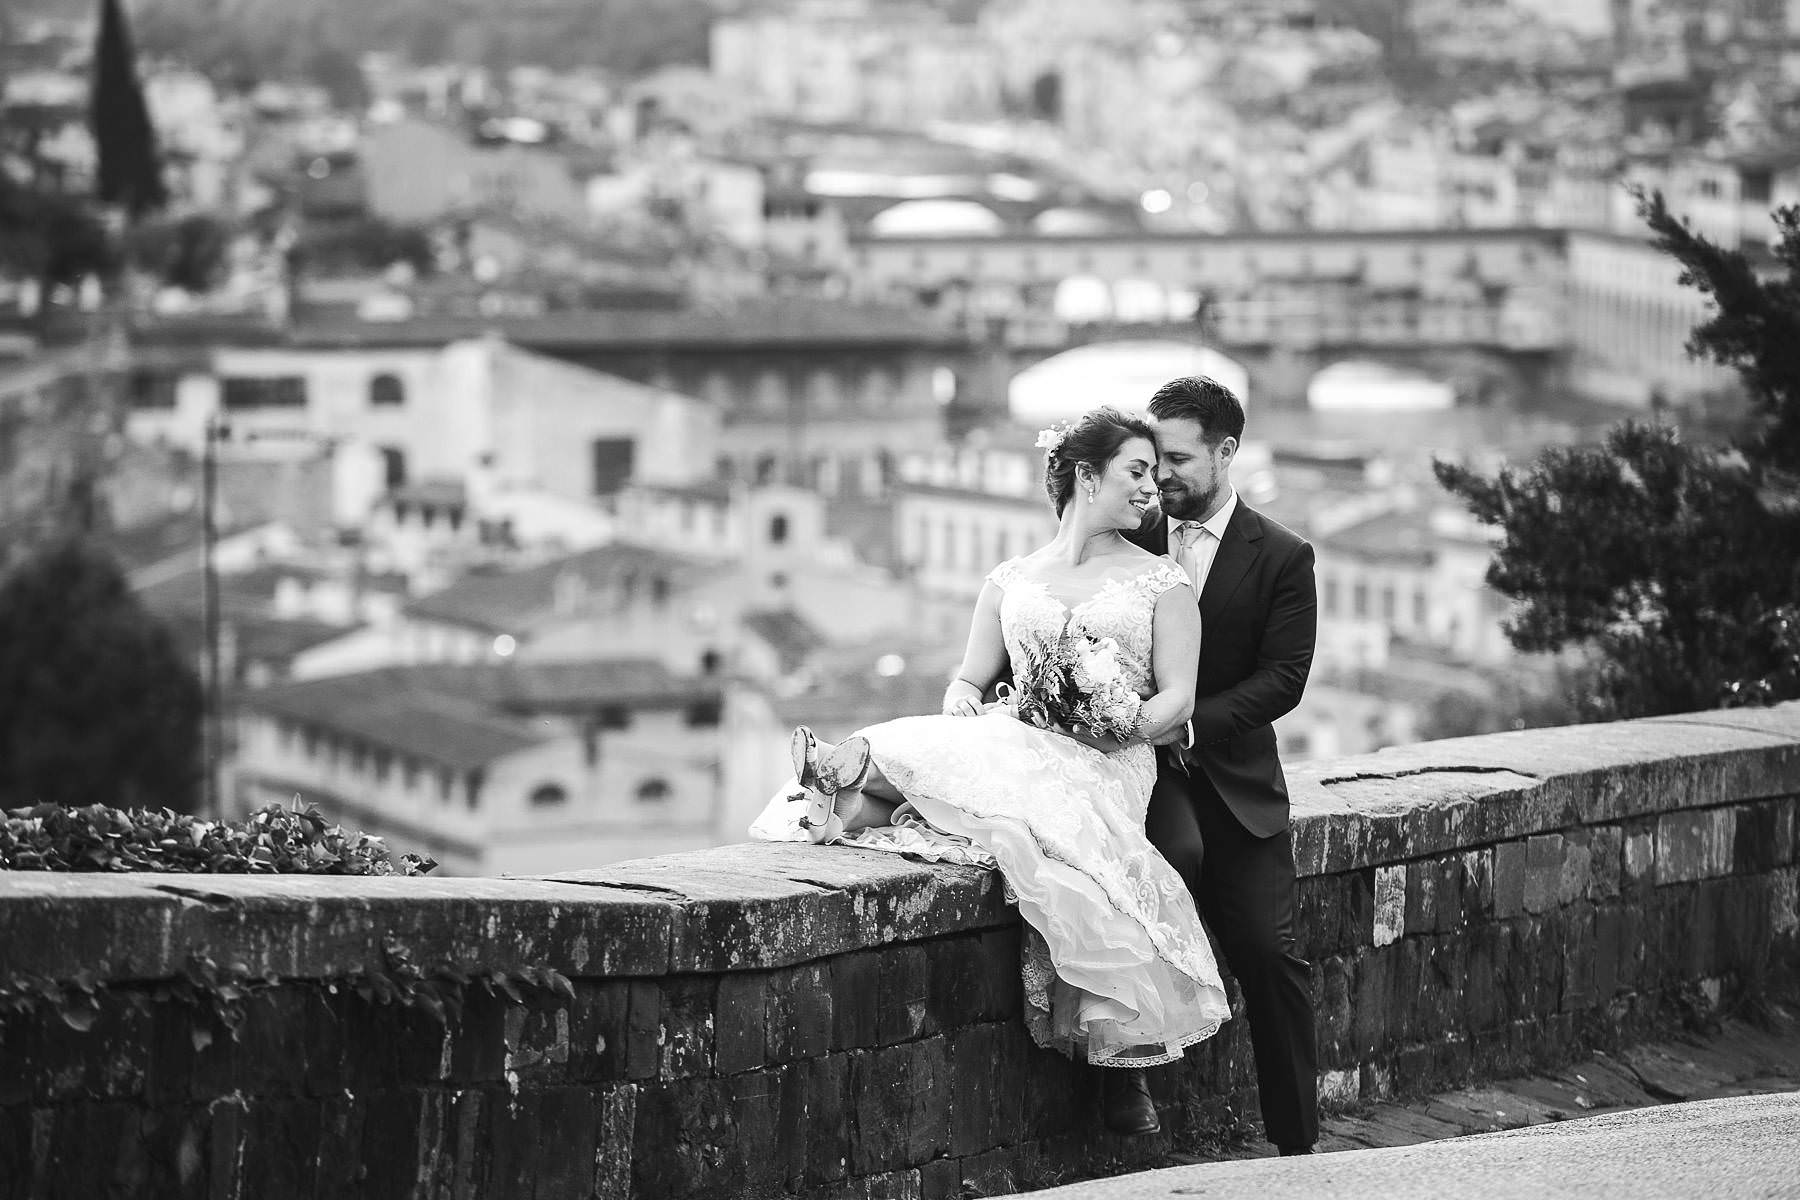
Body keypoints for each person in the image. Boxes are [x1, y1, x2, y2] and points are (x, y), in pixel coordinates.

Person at [750, 407, 1229, 1133]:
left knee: (1015, 799)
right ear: (1086, 476)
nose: (1151, 489)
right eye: (1136, 471)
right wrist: (964, 701)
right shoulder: (1011, 579)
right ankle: (848, 771)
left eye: (1155, 475)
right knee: (959, 747)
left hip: (1107, 761)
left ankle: (857, 782)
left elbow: (1178, 700)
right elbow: (968, 680)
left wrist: (1116, 722)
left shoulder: (1163, 584)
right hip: (1018, 737)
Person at [1127, 375, 1320, 1156]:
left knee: (1271, 956)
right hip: (1139, 782)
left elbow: (1284, 678)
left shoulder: (1283, 555)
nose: (1160, 476)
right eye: (1153, 460)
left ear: (1226, 451)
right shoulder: (1126, 535)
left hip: (1238, 786)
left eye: (1177, 459)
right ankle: (1133, 1115)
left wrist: (1190, 723)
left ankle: (1297, 1146)